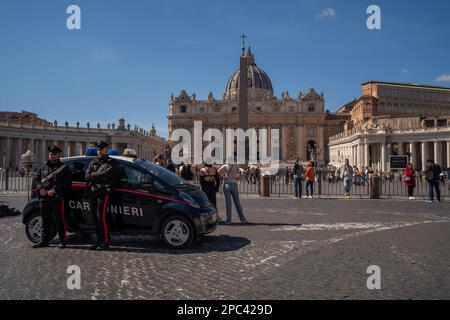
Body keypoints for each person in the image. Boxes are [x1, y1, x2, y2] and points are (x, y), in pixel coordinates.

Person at [32, 145, 72, 249]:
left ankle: (62, 241)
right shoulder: (43, 167)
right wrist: (41, 189)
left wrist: (53, 190)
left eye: (54, 154)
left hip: (57, 198)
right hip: (44, 198)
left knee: (60, 220)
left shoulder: (64, 168)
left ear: (59, 155)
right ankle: (44, 241)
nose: (52, 156)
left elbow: (67, 184)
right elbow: (36, 179)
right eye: (50, 154)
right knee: (45, 220)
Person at [86, 141, 120, 251]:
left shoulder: (112, 162)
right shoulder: (93, 162)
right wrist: (96, 176)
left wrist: (93, 175)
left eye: (101, 149)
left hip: (104, 192)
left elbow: (107, 174)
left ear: (106, 150)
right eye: (98, 149)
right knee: (95, 218)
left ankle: (105, 241)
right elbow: (86, 176)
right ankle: (98, 240)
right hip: (93, 192)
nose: (99, 151)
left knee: (101, 216)